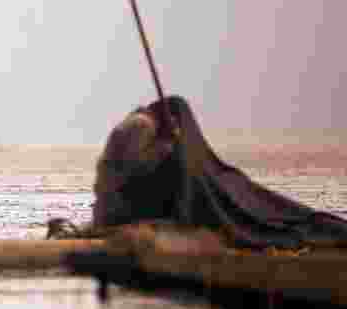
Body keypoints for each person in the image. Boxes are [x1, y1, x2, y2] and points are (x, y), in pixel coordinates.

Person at [86, 95, 347, 249]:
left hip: (113, 208)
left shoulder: (143, 127)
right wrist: (168, 146)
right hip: (116, 209)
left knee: (240, 188)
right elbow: (127, 174)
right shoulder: (142, 128)